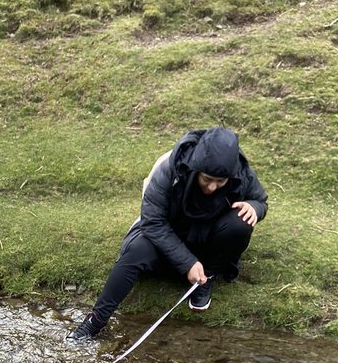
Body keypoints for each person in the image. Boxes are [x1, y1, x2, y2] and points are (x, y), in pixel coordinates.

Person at [68, 127, 268, 341]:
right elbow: (152, 221)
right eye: (207, 179)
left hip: (208, 241)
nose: (212, 187)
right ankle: (95, 321)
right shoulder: (169, 168)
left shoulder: (242, 172)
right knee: (135, 251)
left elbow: (261, 200)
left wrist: (254, 207)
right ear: (196, 167)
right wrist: (187, 262)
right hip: (167, 235)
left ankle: (205, 277)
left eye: (221, 181)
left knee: (240, 222)